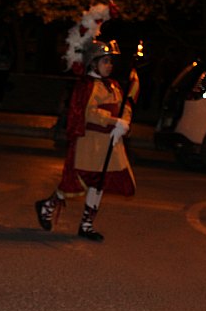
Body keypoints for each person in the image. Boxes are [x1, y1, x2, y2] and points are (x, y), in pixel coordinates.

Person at [35, 39, 136, 242]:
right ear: (93, 62)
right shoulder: (86, 86)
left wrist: (124, 122)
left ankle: (87, 225)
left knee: (99, 184)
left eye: (110, 62)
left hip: (111, 142)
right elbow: (88, 113)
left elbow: (124, 105)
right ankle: (48, 204)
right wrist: (113, 121)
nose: (110, 65)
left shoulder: (114, 85)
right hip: (91, 143)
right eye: (105, 61)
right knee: (77, 182)